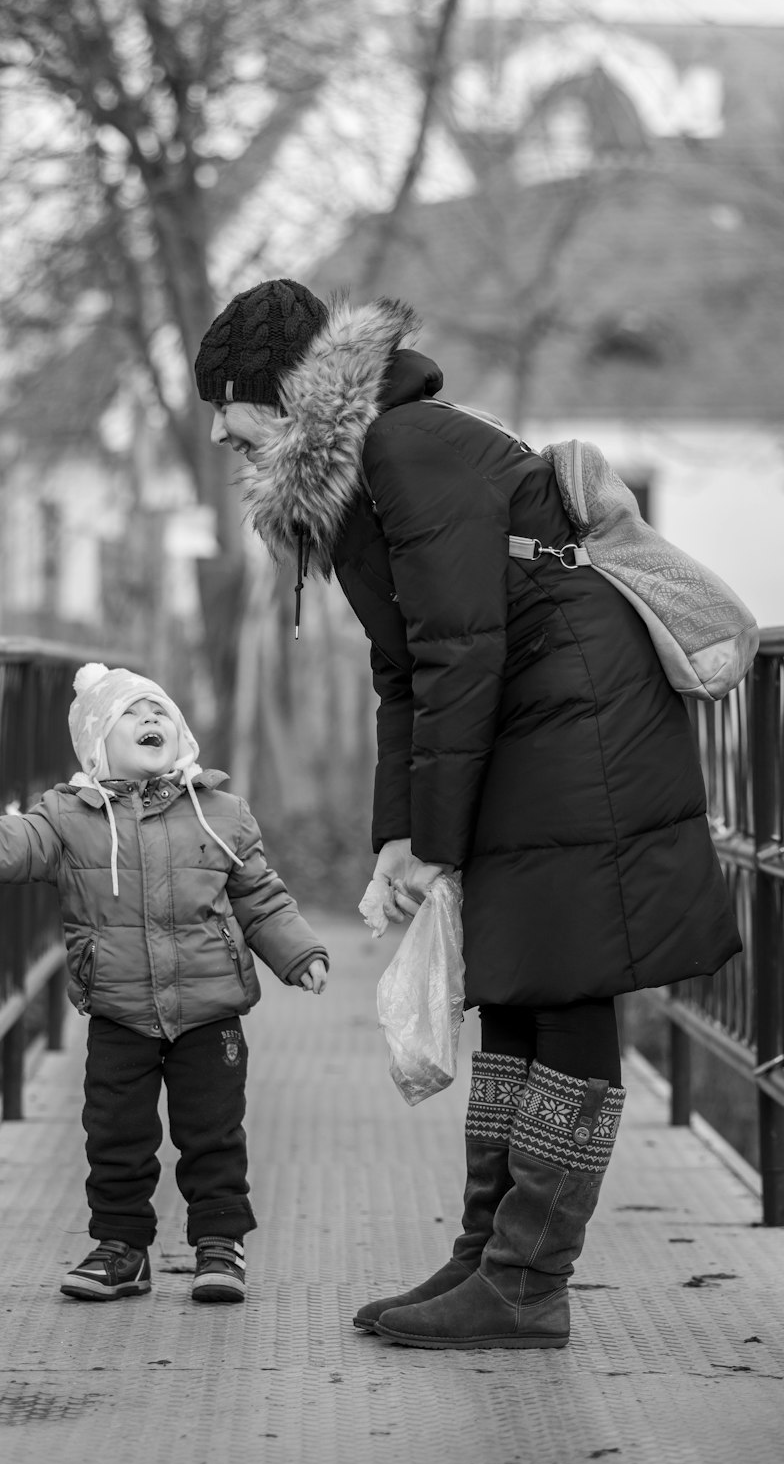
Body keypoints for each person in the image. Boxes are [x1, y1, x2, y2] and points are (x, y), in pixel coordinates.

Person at [193, 277, 741, 1349]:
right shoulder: (358, 469)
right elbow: (405, 672)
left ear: (276, 387)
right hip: (536, 716)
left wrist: (431, 837)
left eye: (226, 400)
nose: (217, 428)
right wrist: (400, 837)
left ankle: (528, 1281)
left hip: (580, 719)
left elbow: (458, 648)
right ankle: (488, 1256)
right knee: (516, 980)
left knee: (567, 981)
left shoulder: (407, 447)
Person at [0, 662, 328, 1306]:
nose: (152, 719)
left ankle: (219, 1243)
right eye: (132, 713)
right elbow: (0, 842)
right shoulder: (68, 820)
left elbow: (261, 899)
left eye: (162, 713)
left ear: (181, 738)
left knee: (213, 1132)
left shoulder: (222, 815)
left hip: (209, 1014)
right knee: (115, 1137)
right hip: (119, 1012)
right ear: (97, 744)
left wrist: (299, 955)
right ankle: (123, 1248)